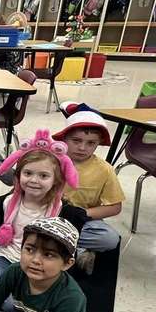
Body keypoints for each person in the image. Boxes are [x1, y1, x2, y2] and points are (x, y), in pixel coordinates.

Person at [0, 129, 86, 305]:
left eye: (44, 176)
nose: (34, 180)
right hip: (5, 257)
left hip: (39, 263)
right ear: (18, 177)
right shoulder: (3, 204)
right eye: (28, 173)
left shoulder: (65, 214)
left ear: (56, 180)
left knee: (14, 306)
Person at [52, 104, 124, 273]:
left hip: (81, 220)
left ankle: (57, 243)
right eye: (76, 141)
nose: (83, 148)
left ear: (98, 143)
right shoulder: (50, 159)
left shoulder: (104, 169)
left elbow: (115, 207)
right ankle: (74, 249)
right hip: (44, 212)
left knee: (109, 239)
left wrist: (83, 214)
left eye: (91, 143)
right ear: (64, 139)